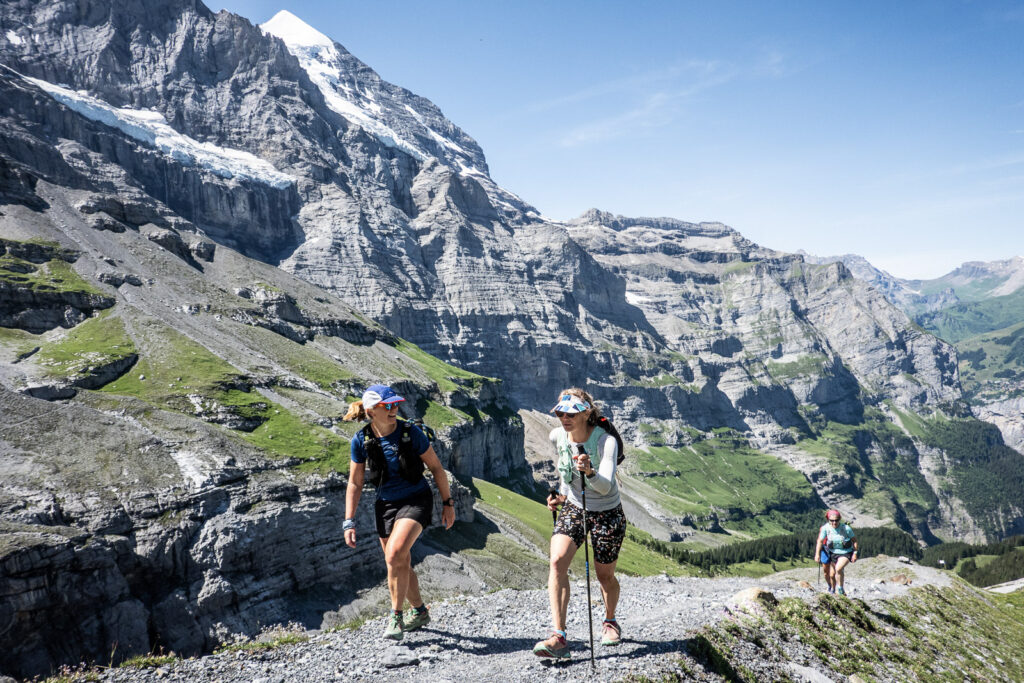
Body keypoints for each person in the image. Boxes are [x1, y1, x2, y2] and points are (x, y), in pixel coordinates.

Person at [343, 384, 455, 640]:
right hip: (385, 505)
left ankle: (396, 617)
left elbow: (437, 468)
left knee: (394, 554)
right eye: (388, 405)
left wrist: (448, 503)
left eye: (396, 404)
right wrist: (348, 521)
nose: (395, 409)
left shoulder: (410, 432)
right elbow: (355, 483)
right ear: (372, 410)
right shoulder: (361, 440)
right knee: (400, 562)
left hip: (417, 499)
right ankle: (420, 611)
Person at [533, 388, 626, 660]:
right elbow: (565, 468)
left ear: (586, 413)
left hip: (607, 511)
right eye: (560, 413)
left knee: (604, 576)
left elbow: (606, 485)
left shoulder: (605, 441)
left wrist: (590, 472)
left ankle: (610, 621)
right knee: (557, 561)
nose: (564, 418)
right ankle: (558, 636)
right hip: (575, 506)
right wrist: (561, 495)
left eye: (571, 413)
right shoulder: (556, 436)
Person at [814, 509, 859, 596]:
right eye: (832, 520)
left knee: (838, 568)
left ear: (839, 519)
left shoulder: (846, 528)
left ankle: (840, 588)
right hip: (832, 553)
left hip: (846, 552)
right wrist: (817, 554)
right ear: (828, 520)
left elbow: (855, 541)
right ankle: (833, 589)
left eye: (836, 520)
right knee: (832, 575)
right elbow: (820, 541)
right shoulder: (825, 528)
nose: (834, 523)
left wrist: (855, 553)